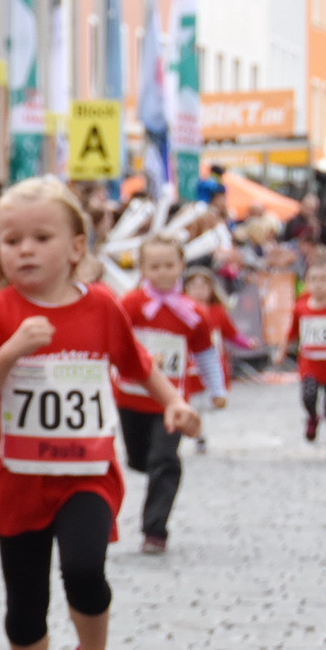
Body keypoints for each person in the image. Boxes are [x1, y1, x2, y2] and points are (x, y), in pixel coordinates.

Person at [0, 179, 199, 650]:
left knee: (84, 570)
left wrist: (173, 402)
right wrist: (12, 350)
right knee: (24, 607)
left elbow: (137, 362)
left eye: (40, 237)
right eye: (10, 240)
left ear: (76, 247)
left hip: (85, 475)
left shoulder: (102, 305)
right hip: (20, 483)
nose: (24, 249)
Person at [115, 235, 227, 554]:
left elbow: (206, 353)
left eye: (169, 265)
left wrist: (217, 390)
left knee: (165, 459)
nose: (163, 273)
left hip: (171, 404)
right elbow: (117, 344)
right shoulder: (131, 304)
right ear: (142, 269)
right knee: (139, 458)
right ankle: (152, 472)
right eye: (154, 267)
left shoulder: (193, 312)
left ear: (181, 266)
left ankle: (155, 530)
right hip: (131, 398)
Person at [275, 255, 326, 458]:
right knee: (308, 395)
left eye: (323, 279)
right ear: (306, 283)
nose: (318, 284)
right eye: (313, 279)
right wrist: (281, 352)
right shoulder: (301, 307)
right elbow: (291, 333)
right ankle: (312, 417)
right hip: (310, 365)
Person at [183, 266, 249, 454]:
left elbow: (231, 334)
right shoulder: (181, 310)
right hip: (188, 366)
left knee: (204, 403)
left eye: (204, 287)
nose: (199, 291)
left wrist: (247, 343)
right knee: (191, 402)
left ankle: (200, 433)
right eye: (194, 286)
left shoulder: (217, 312)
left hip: (211, 363)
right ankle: (194, 432)